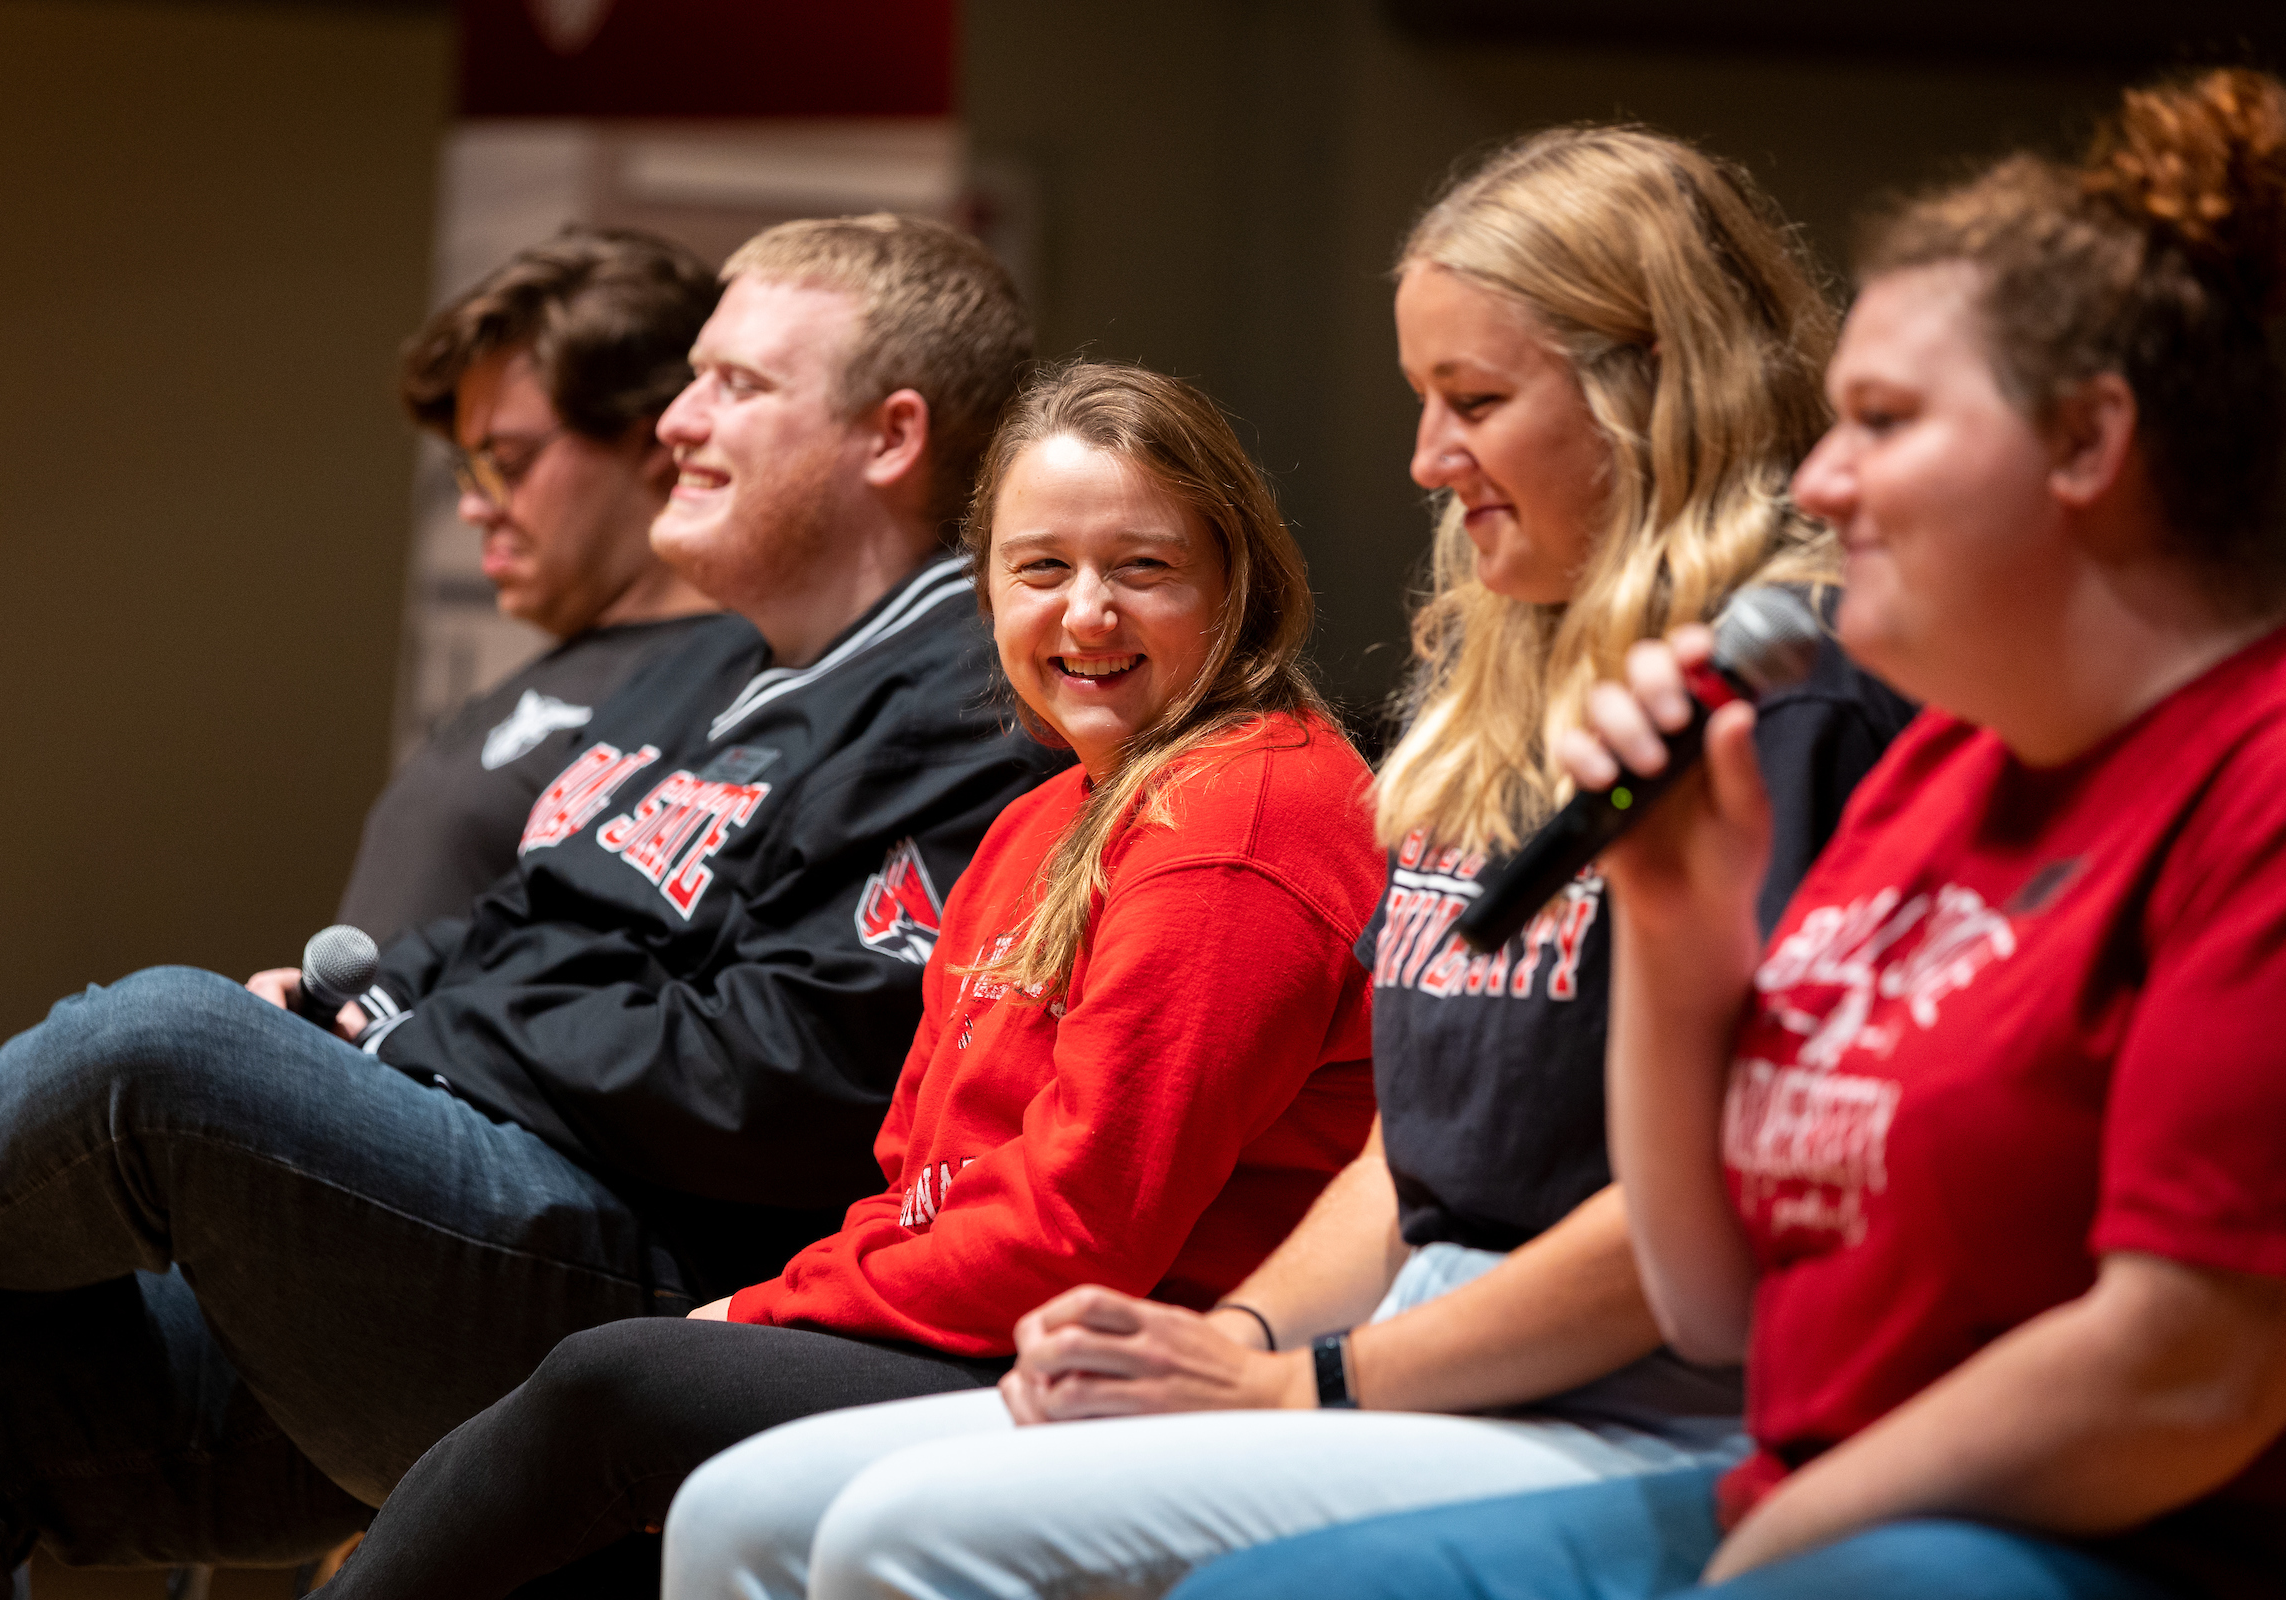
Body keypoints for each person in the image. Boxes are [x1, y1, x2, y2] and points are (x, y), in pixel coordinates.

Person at [662, 127, 1910, 1600]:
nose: (1427, 458)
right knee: (740, 1510)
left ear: (1650, 390)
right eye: (1424, 398)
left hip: (1634, 1392)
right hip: (1410, 1334)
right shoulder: (1497, 699)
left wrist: (1300, 1382)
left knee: (901, 1530)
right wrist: (1240, 1342)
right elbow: (1409, 1156)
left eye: (1474, 401)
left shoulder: (1794, 710)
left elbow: (1705, 1221)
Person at [1161, 66, 2286, 1600]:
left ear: (2088, 441)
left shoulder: (2248, 786)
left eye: (1883, 422)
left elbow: (2184, 1371)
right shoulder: (1943, 774)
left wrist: (1766, 1548)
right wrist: (1681, 949)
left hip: (2085, 1535)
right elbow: (1720, 1305)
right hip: (1801, 1483)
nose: (1820, 477)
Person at [0, 213, 1061, 1594]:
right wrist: (358, 1002)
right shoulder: (696, 669)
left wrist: (416, 1039)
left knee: (162, 1050)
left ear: (890, 436)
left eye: (736, 385)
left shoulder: (977, 703)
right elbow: (512, 922)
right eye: (691, 378)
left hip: (645, 1283)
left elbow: (787, 1068)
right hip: (441, 1236)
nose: (678, 422)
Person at [310, 359, 1387, 1598]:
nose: (1087, 613)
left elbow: (1082, 1231)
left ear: (1237, 585)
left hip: (1138, 1363)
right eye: (1041, 569)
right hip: (1001, 1332)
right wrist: (780, 1301)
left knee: (617, 1386)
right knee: (629, 1444)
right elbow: (913, 1182)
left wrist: (763, 1315)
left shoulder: (1243, 812)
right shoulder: (1035, 821)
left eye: (1143, 568)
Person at [340, 227, 737, 945]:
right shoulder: (559, 671)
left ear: (657, 439)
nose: (474, 506)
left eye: (508, 463)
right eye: (469, 470)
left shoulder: (740, 688)